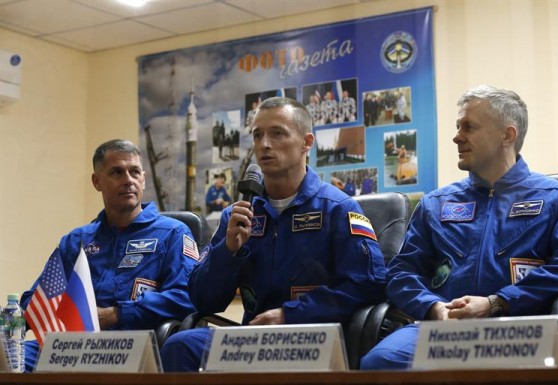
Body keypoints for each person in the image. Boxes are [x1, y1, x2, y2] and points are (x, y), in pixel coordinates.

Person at [360, 85, 558, 370]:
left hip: (522, 325)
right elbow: (401, 273)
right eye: (458, 126)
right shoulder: (436, 204)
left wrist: (497, 302)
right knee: (380, 361)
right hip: (444, 329)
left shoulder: (555, 198)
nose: (456, 136)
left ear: (507, 136)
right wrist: (434, 307)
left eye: (468, 127)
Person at [160, 96, 387, 372]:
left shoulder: (338, 208)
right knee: (180, 345)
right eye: (258, 135)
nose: (264, 144)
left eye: (277, 133)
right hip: (253, 341)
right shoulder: (238, 214)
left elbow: (367, 285)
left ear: (307, 143)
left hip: (314, 338)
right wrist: (227, 253)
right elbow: (204, 300)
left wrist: (290, 315)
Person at [21, 139, 198, 372]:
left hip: (132, 343)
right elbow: (37, 299)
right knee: (9, 356)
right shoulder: (78, 240)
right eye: (117, 172)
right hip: (71, 345)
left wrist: (117, 313)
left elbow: (185, 296)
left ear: (143, 178)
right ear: (97, 182)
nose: (128, 180)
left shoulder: (172, 233)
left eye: (135, 172)